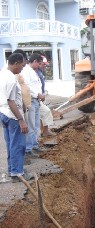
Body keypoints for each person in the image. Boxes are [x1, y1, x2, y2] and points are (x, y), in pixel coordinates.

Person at [0, 53, 32, 183]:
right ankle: (18, 173)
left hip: (3, 113)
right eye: (22, 66)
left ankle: (12, 170)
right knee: (18, 145)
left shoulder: (2, 73)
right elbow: (11, 101)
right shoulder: (11, 79)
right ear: (16, 63)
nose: (22, 69)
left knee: (10, 144)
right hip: (12, 116)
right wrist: (21, 120)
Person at [21, 53, 44, 157]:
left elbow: (36, 85)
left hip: (37, 101)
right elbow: (26, 87)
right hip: (31, 100)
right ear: (34, 61)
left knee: (36, 125)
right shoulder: (26, 71)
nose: (39, 66)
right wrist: (37, 94)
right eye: (39, 63)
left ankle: (34, 145)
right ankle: (28, 149)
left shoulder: (33, 71)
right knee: (31, 126)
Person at [36, 56, 56, 137]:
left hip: (40, 96)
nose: (45, 66)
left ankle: (44, 131)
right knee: (45, 112)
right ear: (38, 63)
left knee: (44, 113)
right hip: (36, 97)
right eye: (43, 64)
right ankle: (44, 132)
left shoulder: (39, 72)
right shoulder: (35, 73)